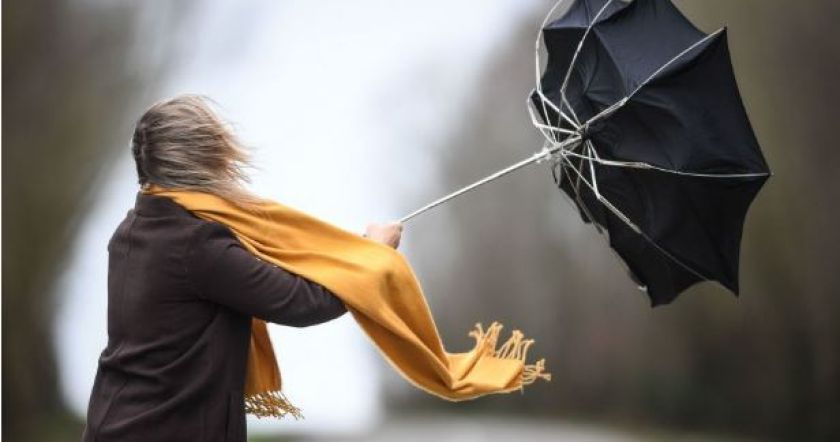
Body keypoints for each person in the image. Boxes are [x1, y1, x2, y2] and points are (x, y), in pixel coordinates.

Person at [81, 95, 403, 442]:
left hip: (113, 426)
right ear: (204, 159)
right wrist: (374, 255)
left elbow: (253, 275)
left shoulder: (132, 230)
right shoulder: (196, 244)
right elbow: (303, 302)